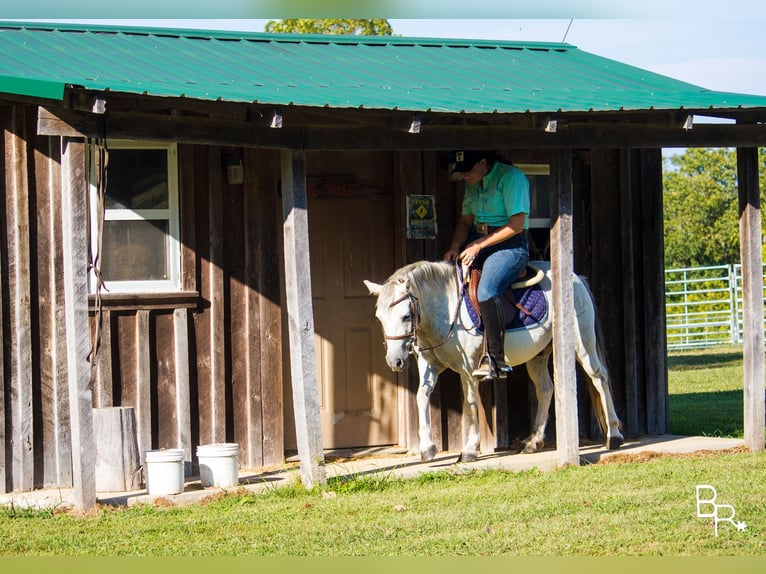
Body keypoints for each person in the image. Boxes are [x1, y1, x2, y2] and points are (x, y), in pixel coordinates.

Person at [443, 150, 530, 381]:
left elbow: (517, 225)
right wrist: (454, 246)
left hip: (510, 246)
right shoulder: (473, 182)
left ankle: (496, 359)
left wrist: (478, 245)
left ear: (483, 162)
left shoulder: (511, 178)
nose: (465, 177)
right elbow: (465, 222)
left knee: (487, 290)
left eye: (468, 171)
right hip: (478, 243)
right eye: (461, 173)